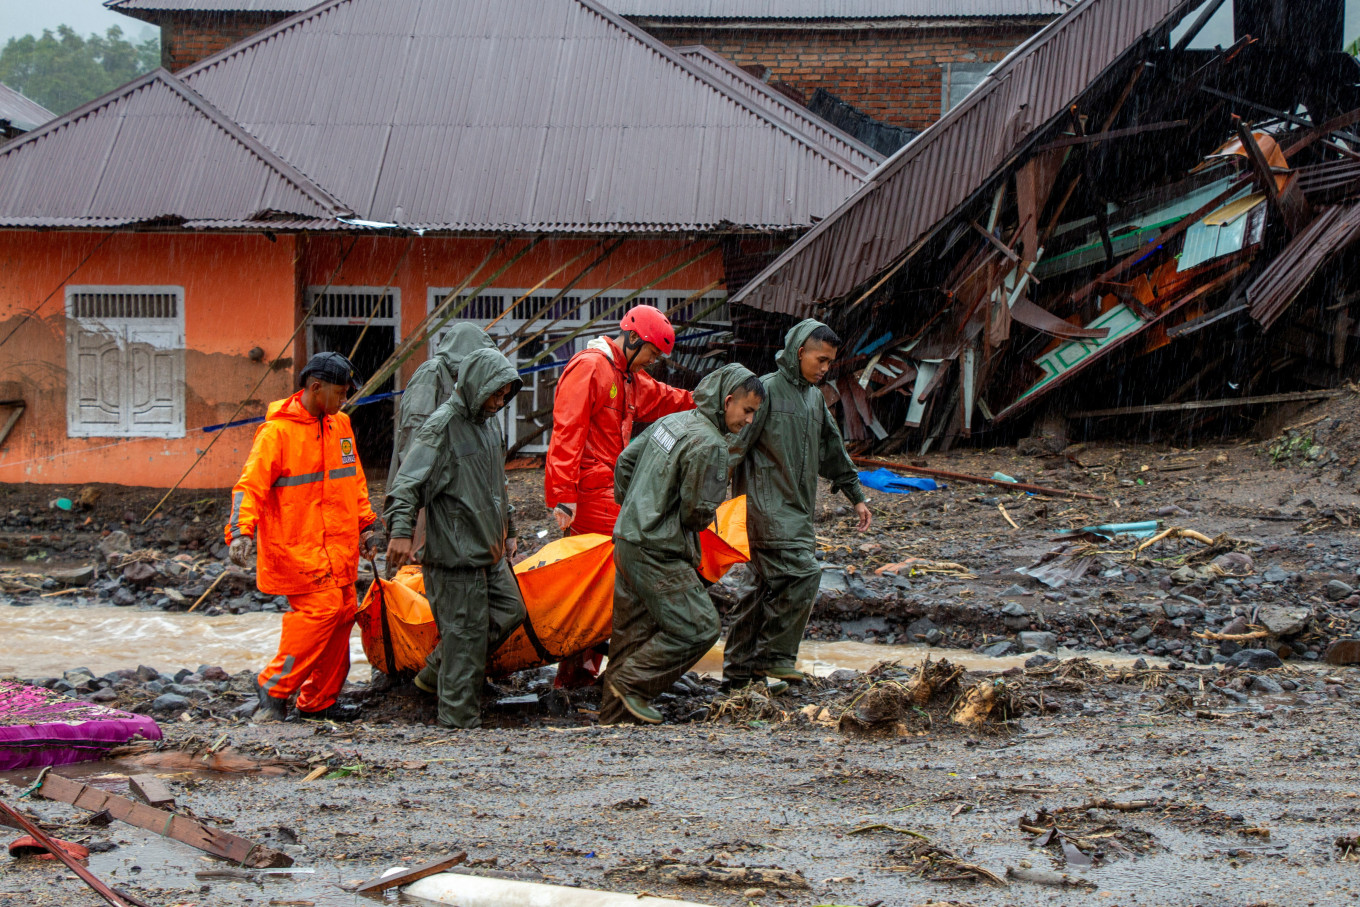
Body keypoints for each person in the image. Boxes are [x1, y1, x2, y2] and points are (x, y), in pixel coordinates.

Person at [600, 363, 766, 725]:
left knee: (631, 635)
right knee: (699, 626)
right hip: (660, 551)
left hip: (628, 539)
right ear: (727, 401)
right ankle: (631, 684)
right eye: (747, 411)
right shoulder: (711, 445)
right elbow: (695, 514)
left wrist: (639, 508)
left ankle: (614, 721)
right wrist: (664, 517)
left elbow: (626, 461)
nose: (749, 421)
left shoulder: (672, 422)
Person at [544, 304, 694, 686]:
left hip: (609, 492)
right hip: (592, 495)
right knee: (604, 582)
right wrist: (563, 495)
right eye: (651, 353)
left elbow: (665, 398)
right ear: (631, 339)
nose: (653, 362)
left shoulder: (627, 376)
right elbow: (567, 431)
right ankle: (585, 671)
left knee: (601, 584)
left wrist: (705, 399)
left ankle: (584, 671)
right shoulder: (592, 367)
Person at [226, 351, 379, 722]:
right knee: (322, 610)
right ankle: (274, 685)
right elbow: (250, 486)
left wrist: (366, 525)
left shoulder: (340, 424)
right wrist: (240, 530)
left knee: (343, 614)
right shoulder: (276, 432)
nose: (344, 401)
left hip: (338, 546)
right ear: (315, 387)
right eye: (341, 393)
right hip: (297, 548)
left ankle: (319, 701)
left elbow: (353, 480)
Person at [384, 347, 527, 729]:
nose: (500, 402)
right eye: (496, 393)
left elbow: (499, 484)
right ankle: (458, 724)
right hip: (454, 555)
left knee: (511, 610)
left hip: (489, 551)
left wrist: (509, 530)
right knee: (465, 636)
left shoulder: (488, 424)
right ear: (477, 386)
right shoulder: (440, 427)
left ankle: (434, 673)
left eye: (505, 395)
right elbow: (405, 486)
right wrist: (399, 533)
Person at [725, 320, 872, 690]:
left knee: (757, 591)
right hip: (764, 511)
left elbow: (832, 448)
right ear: (799, 351)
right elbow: (734, 447)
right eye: (820, 359)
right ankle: (776, 657)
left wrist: (855, 494)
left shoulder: (812, 399)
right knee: (805, 574)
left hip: (797, 511)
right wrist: (699, 498)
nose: (824, 368)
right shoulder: (765, 392)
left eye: (829, 362)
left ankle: (738, 675)